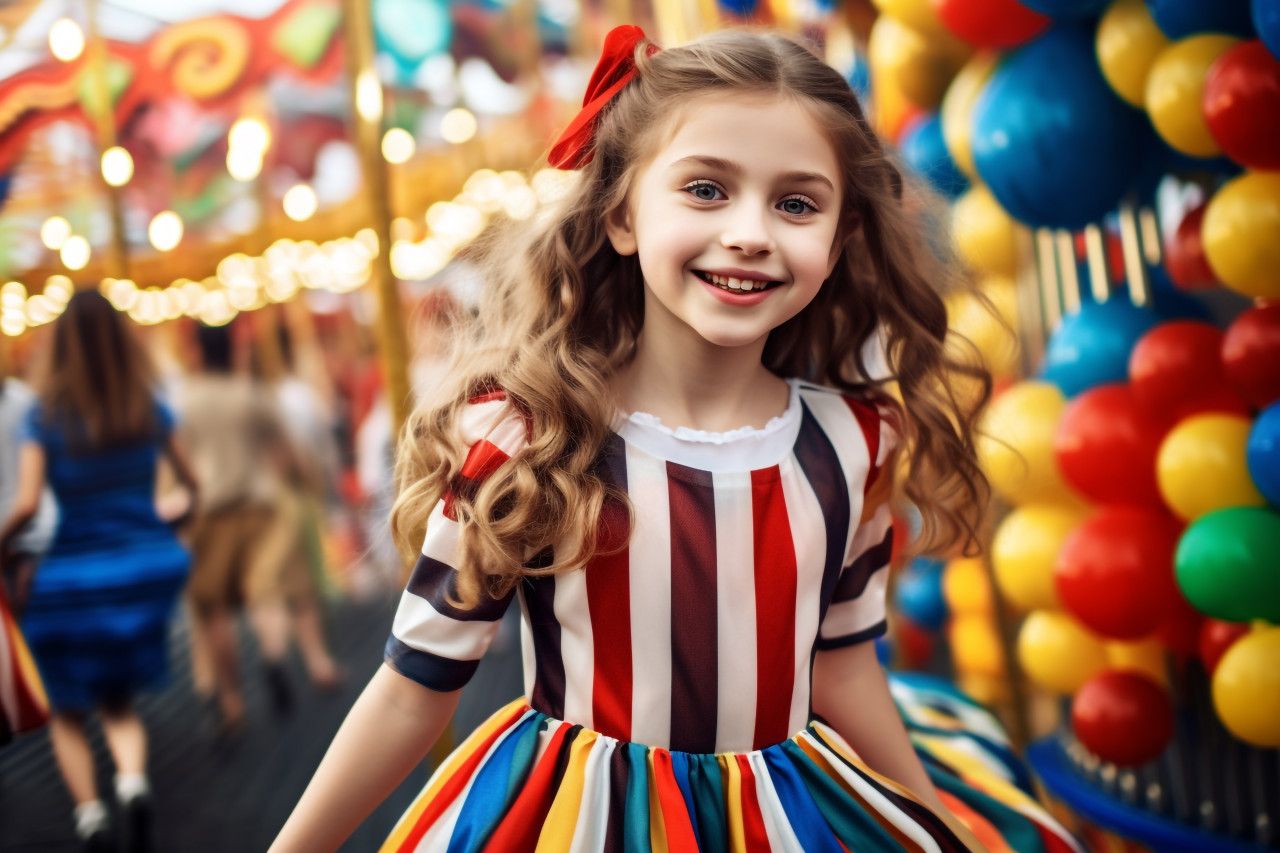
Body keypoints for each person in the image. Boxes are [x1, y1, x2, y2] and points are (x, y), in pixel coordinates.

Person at [272, 26, 1080, 853]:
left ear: (837, 243)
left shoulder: (855, 439)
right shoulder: (527, 435)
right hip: (581, 821)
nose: (751, 232)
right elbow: (415, 687)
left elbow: (841, 659)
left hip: (783, 816)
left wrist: (922, 814)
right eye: (706, 190)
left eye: (796, 203)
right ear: (621, 215)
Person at [0, 290, 198, 853]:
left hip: (66, 581)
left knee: (65, 709)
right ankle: (132, 781)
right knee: (118, 703)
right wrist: (173, 529)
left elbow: (27, 503)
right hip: (139, 572)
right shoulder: (147, 405)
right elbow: (192, 486)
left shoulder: (45, 417)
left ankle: (90, 815)